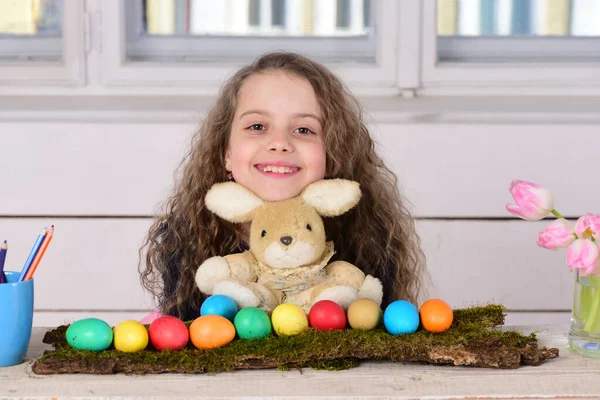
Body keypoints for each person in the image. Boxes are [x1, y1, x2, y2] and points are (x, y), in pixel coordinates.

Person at [139, 51, 427, 323]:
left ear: (330, 155)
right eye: (257, 127)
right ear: (227, 152)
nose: (280, 143)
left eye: (304, 130)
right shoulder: (187, 236)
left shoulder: (367, 236)